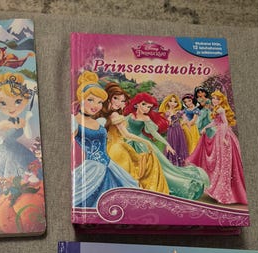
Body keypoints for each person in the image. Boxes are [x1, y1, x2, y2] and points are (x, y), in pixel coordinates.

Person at [124, 92, 209, 200]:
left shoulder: (146, 118)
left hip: (143, 144)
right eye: (144, 105)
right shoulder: (130, 116)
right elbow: (122, 127)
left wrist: (167, 144)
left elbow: (155, 133)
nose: (146, 108)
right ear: (137, 104)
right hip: (129, 141)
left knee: (159, 167)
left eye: (149, 107)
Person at [72, 71, 138, 208]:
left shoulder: (99, 121)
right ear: (81, 99)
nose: (95, 105)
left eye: (100, 102)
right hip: (92, 170)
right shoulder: (74, 121)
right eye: (90, 100)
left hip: (110, 166)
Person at [100, 82, 168, 194]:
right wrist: (146, 142)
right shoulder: (115, 115)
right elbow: (126, 134)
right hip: (118, 148)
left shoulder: (105, 114)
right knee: (130, 172)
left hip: (108, 147)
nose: (118, 103)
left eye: (122, 101)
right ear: (108, 97)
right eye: (115, 98)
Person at [187, 90, 247, 204]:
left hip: (224, 135)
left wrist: (223, 137)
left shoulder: (221, 109)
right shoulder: (216, 109)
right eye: (213, 98)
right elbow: (215, 122)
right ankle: (220, 189)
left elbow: (225, 123)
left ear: (221, 100)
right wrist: (205, 127)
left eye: (217, 99)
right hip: (219, 135)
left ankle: (224, 192)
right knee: (220, 161)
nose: (214, 100)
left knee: (225, 162)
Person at [0, 72, 38, 185]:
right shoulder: (6, 122)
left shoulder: (21, 120)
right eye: (3, 103)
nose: (11, 107)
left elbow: (28, 135)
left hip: (17, 150)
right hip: (2, 150)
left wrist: (27, 120)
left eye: (18, 101)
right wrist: (6, 129)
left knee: (21, 172)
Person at [158, 93, 189, 166]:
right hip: (171, 131)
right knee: (172, 143)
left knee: (180, 144)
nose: (173, 103)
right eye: (171, 101)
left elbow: (185, 118)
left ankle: (181, 161)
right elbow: (167, 124)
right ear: (167, 102)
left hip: (179, 130)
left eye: (175, 102)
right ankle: (172, 161)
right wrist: (169, 118)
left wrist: (182, 123)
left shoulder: (178, 111)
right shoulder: (166, 112)